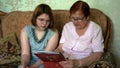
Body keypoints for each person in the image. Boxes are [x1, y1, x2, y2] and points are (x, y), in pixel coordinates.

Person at [56, 0, 104, 68]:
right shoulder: (67, 27)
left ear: (87, 17)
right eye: (72, 18)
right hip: (64, 60)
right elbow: (60, 48)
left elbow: (98, 53)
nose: (75, 22)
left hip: (83, 62)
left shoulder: (95, 29)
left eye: (79, 19)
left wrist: (79, 63)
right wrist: (51, 55)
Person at [19, 4, 59, 68]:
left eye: (47, 21)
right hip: (29, 61)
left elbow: (45, 56)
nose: (44, 23)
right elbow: (25, 54)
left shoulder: (54, 32)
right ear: (35, 18)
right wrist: (24, 65)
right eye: (41, 19)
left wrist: (33, 67)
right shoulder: (25, 30)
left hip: (44, 62)